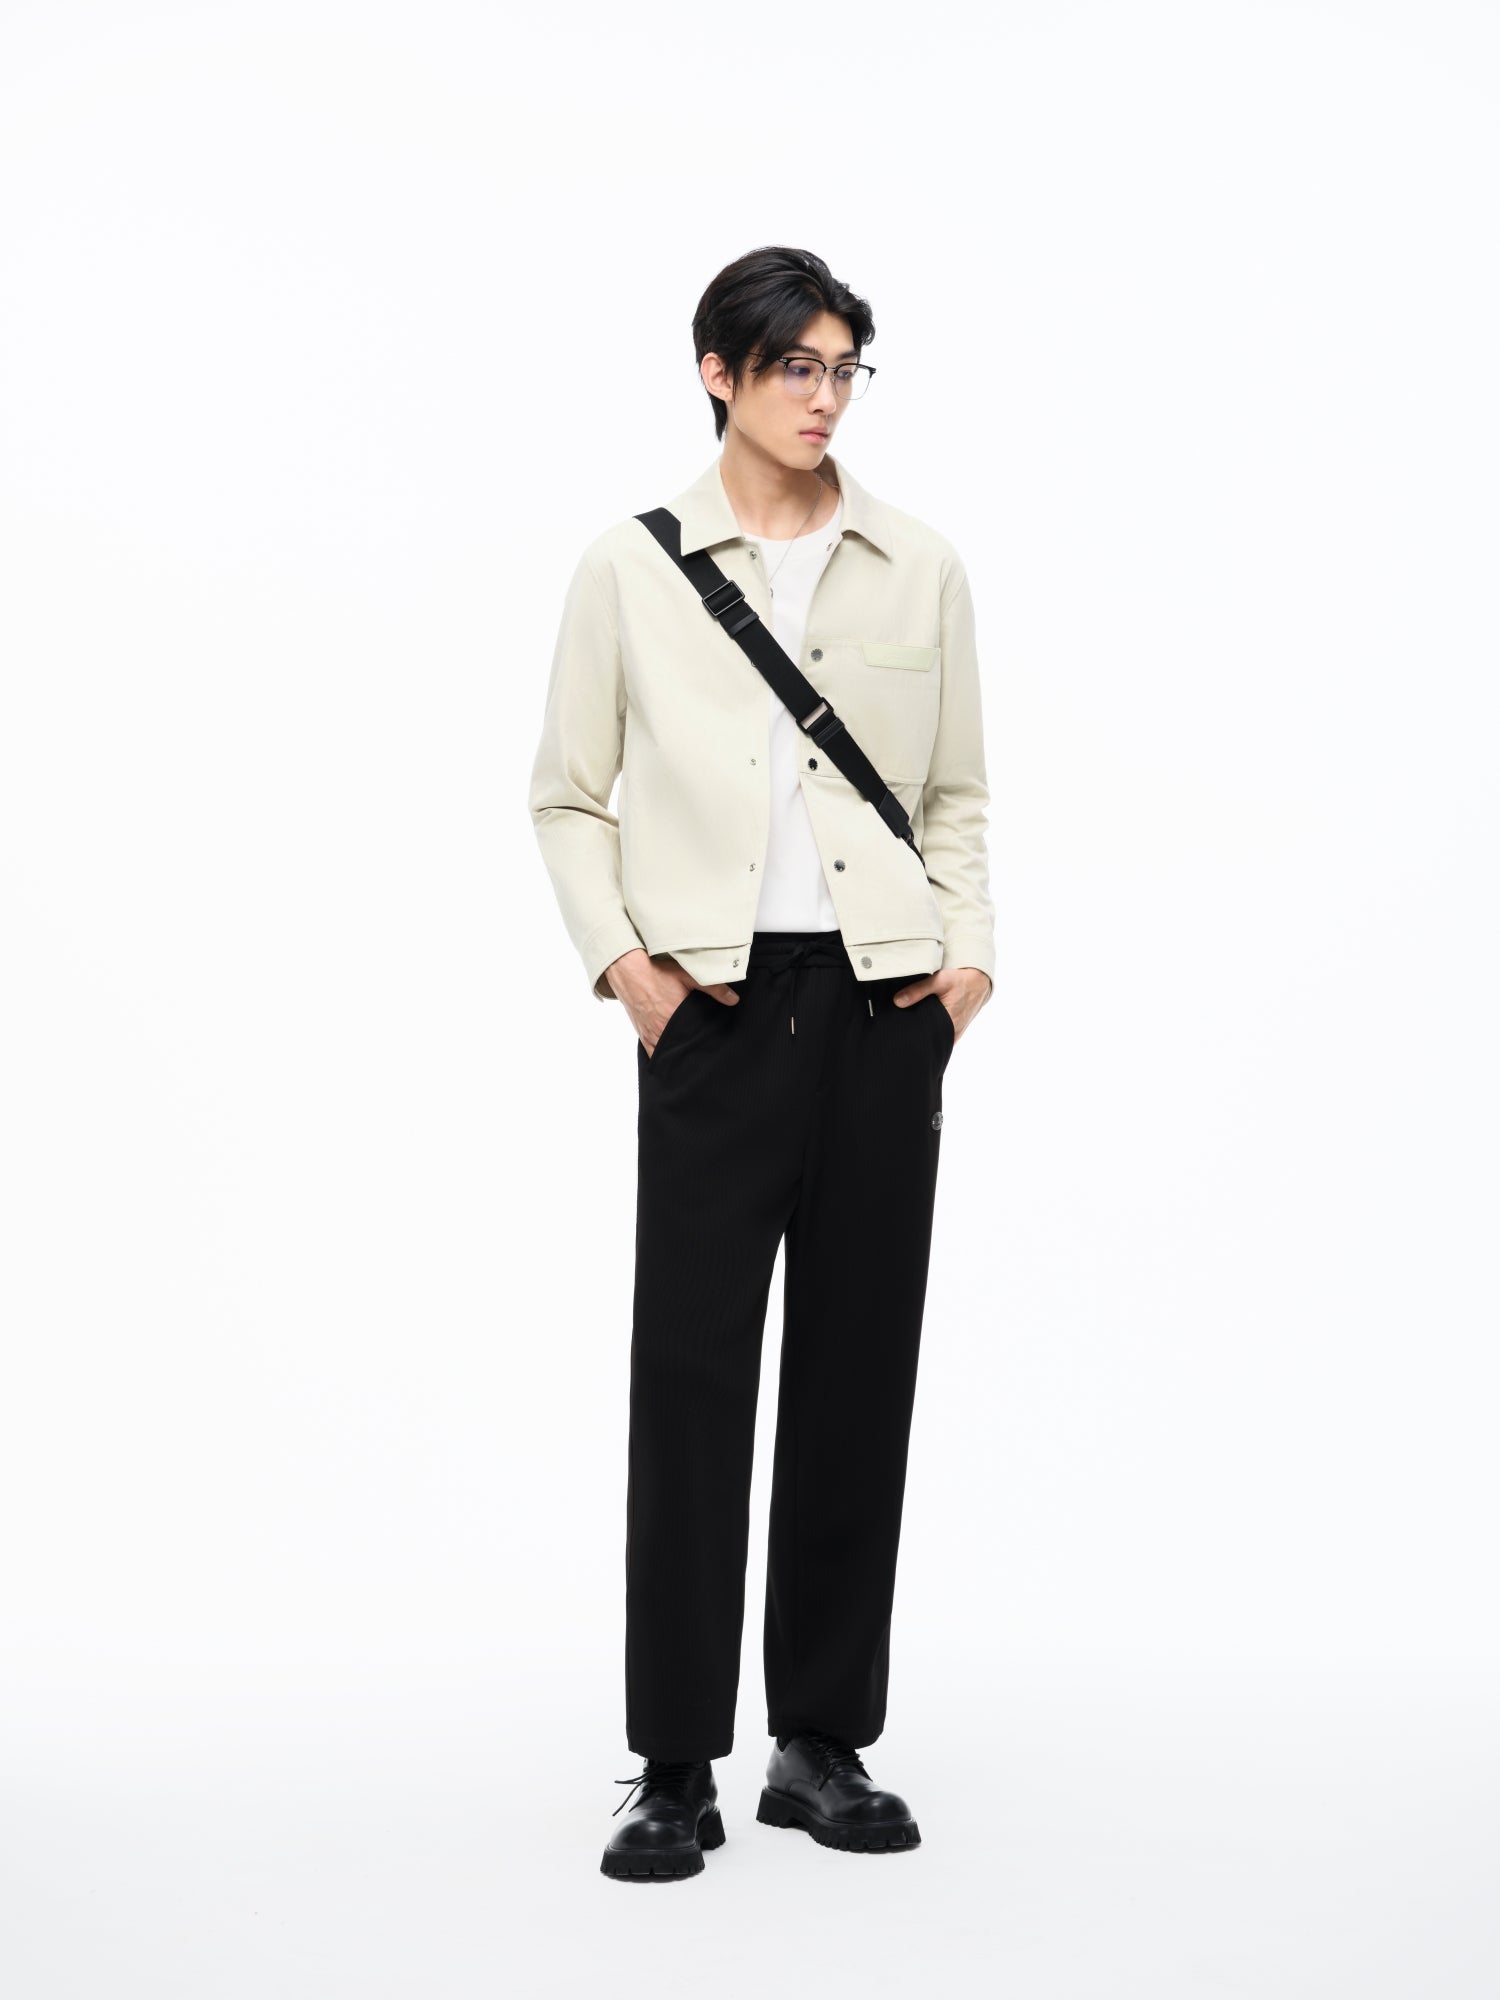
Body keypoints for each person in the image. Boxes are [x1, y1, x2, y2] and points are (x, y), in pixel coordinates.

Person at [527, 245, 996, 1882]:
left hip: (881, 1008)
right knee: (694, 1384)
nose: (824, 394)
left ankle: (820, 1742)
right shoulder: (630, 569)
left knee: (859, 1375)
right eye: (794, 363)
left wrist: (966, 964)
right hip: (712, 1012)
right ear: (717, 372)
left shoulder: (918, 565)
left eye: (844, 366)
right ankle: (676, 1763)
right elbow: (566, 795)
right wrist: (633, 974)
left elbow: (957, 795)